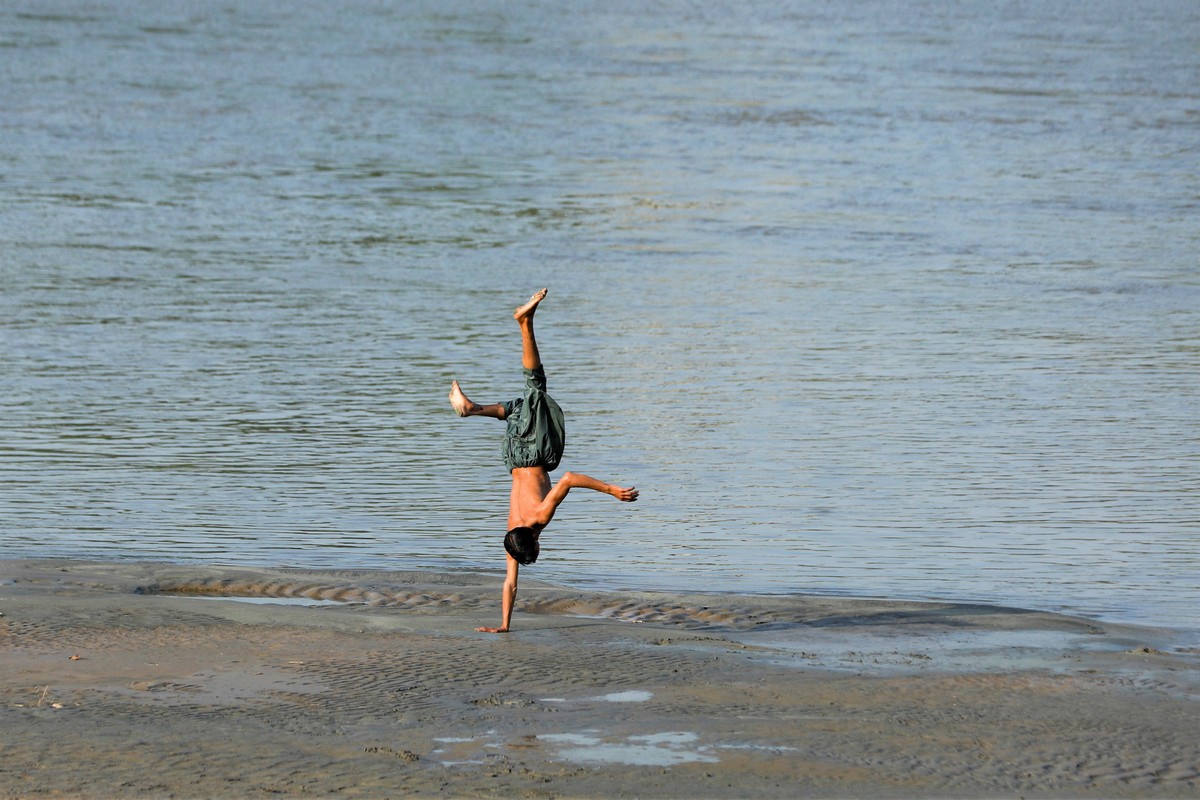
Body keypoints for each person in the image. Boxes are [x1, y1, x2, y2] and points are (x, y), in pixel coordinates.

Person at [449, 288, 639, 633]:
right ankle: (472, 408)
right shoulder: (510, 534)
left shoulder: (537, 519)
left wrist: (611, 490)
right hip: (513, 457)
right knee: (519, 408)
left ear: (533, 540)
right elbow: (509, 583)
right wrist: (503, 626)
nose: (536, 552)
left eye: (534, 552)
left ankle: (526, 322)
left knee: (535, 386)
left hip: (534, 453)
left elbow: (567, 478)